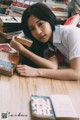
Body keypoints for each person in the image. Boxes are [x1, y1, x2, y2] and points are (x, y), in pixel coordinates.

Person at [10, 3, 80, 80]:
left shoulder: (71, 33)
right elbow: (53, 66)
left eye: (40, 24)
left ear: (49, 20)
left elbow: (76, 73)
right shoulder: (49, 41)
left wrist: (37, 72)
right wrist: (22, 49)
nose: (38, 32)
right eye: (32, 29)